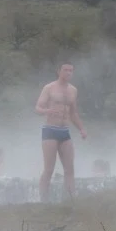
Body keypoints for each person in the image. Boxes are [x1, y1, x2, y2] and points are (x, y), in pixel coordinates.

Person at [35, 62, 87, 201]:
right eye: (66, 70)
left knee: (69, 169)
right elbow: (38, 108)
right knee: (49, 169)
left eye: (71, 70)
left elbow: (73, 113)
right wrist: (47, 111)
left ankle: (70, 199)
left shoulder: (73, 90)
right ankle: (43, 200)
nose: (69, 73)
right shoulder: (49, 87)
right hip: (50, 130)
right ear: (59, 71)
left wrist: (81, 129)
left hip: (65, 130)